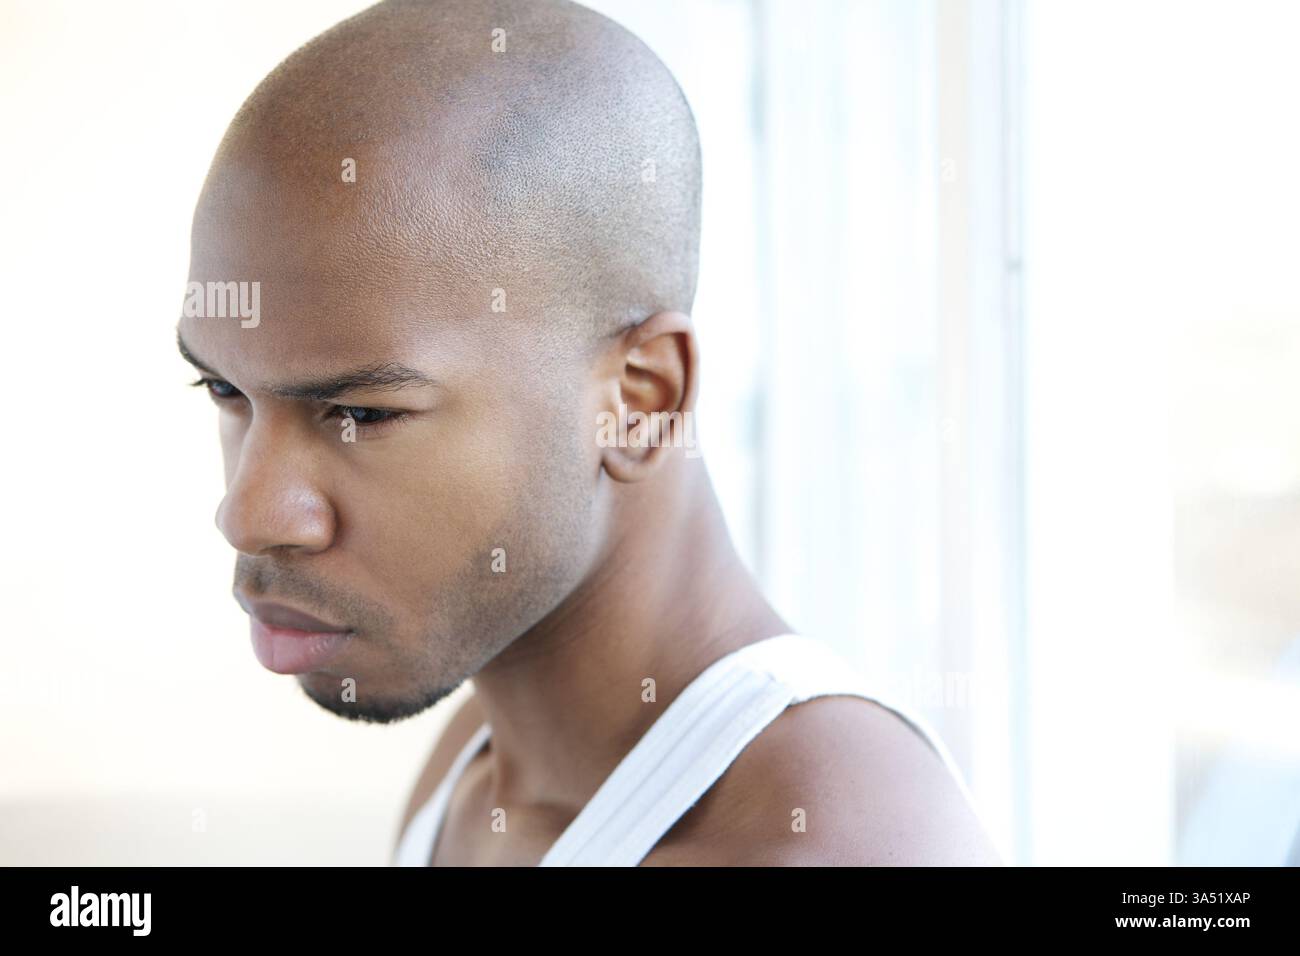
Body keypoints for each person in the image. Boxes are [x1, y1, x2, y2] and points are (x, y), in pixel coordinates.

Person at [176, 0, 1003, 866]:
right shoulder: (473, 769)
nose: (250, 512)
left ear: (641, 400)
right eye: (224, 388)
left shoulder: (831, 845)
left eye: (364, 414)